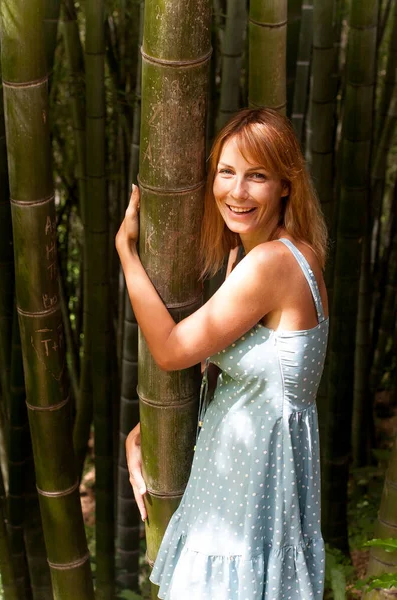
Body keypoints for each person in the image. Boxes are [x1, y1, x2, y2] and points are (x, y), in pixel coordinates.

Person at [116, 107, 329, 599]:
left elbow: (172, 352)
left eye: (256, 176)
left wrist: (127, 253)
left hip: (247, 500)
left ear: (285, 185)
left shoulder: (273, 263)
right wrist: (143, 431)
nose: (236, 191)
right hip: (236, 483)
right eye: (226, 172)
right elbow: (231, 376)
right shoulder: (263, 255)